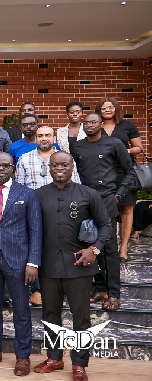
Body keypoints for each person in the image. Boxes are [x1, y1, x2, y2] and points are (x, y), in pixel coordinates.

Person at [34, 151, 111, 381]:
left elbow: (106, 225)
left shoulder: (88, 194)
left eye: (64, 164)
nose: (59, 168)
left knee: (81, 316)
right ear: (49, 168)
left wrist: (94, 249)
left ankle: (79, 363)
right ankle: (54, 357)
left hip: (79, 267)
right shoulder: (38, 195)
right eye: (55, 164)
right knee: (50, 314)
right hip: (48, 266)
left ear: (72, 167)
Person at [0, 152, 42, 377]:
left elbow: (35, 230)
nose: (1, 169)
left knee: (21, 310)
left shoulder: (27, 194)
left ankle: (23, 356)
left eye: (5, 166)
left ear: (13, 168)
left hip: (18, 260)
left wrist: (33, 262)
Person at [71, 112, 136, 311]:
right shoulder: (78, 146)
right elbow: (74, 172)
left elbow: (129, 171)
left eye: (94, 122)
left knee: (109, 249)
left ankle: (114, 293)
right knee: (90, 244)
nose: (90, 125)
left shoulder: (114, 143)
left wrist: (118, 194)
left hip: (107, 200)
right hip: (85, 202)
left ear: (101, 124)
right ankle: (99, 288)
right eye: (87, 122)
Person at [15, 126, 79, 306]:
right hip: (33, 212)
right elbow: (19, 190)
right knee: (35, 249)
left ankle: (61, 291)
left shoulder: (65, 159)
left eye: (47, 135)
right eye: (40, 135)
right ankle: (37, 290)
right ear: (35, 138)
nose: (44, 138)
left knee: (60, 250)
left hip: (62, 211)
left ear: (54, 137)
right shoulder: (24, 159)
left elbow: (76, 186)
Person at [97, 97, 143, 261]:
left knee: (126, 208)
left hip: (124, 171)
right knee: (103, 210)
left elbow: (139, 148)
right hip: (101, 172)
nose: (107, 110)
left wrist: (123, 151)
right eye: (103, 108)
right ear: (99, 111)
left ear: (116, 109)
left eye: (110, 107)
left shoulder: (127, 125)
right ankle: (105, 248)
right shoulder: (94, 125)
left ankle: (123, 248)